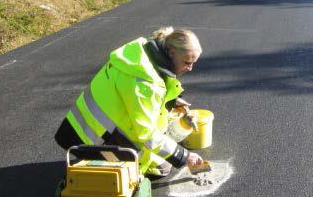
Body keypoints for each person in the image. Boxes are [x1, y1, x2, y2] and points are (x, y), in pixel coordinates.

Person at [54, 26, 204, 176]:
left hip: (79, 127)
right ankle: (99, 164)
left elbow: (138, 96)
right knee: (163, 167)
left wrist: (172, 101)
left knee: (160, 157)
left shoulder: (140, 57)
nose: (190, 68)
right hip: (90, 140)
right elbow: (147, 133)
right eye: (186, 62)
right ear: (171, 53)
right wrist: (184, 156)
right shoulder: (144, 83)